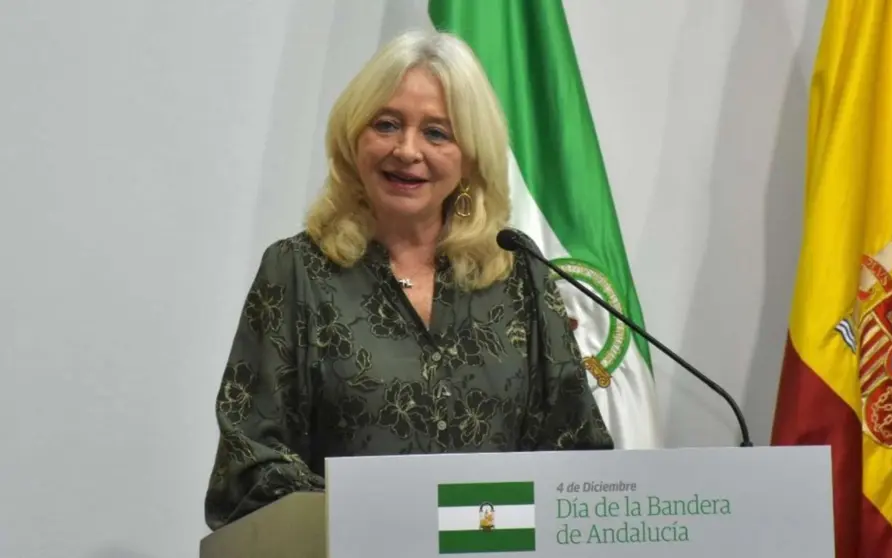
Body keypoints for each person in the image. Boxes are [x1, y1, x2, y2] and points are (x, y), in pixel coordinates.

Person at [203, 29, 614, 530]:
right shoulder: (297, 271)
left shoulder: (521, 276)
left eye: (437, 133)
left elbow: (579, 458)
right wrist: (392, 520)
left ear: (470, 157)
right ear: (354, 138)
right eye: (387, 124)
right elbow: (251, 465)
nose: (407, 150)